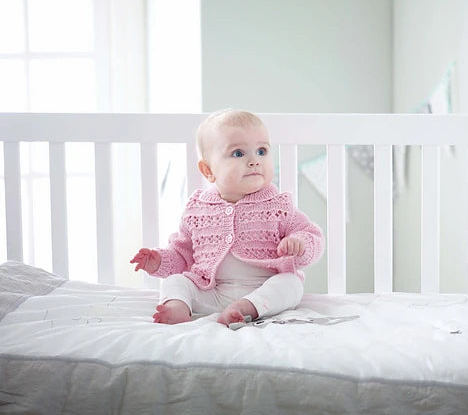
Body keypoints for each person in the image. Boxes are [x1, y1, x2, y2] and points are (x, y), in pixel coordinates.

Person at [130, 109, 324, 327]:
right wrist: (159, 261)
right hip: (212, 292)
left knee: (291, 284)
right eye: (239, 154)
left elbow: (311, 235)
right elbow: (182, 256)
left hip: (265, 289)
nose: (254, 161)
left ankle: (245, 307)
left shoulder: (278, 206)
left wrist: (300, 244)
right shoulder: (197, 210)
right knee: (175, 281)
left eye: (262, 151)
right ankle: (177, 308)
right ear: (208, 170)